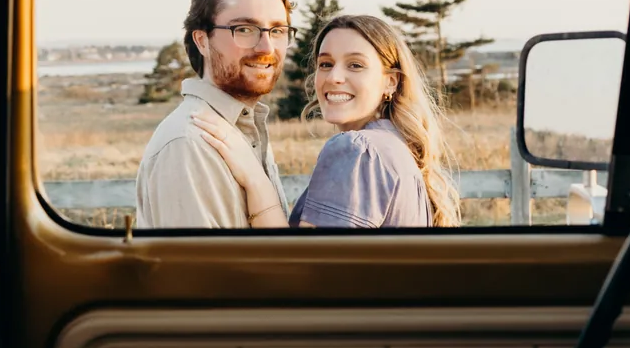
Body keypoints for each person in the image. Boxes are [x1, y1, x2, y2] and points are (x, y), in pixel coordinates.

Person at [192, 13, 460, 228]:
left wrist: (254, 178)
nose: (334, 78)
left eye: (355, 65)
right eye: (326, 64)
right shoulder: (395, 147)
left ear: (390, 81)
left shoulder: (358, 150)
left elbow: (305, 269)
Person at [134, 0, 292, 228]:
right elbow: (200, 270)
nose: (266, 47)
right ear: (202, 41)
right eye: (244, 29)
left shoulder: (243, 129)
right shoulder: (190, 144)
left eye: (277, 30)